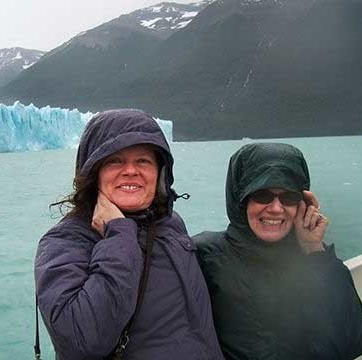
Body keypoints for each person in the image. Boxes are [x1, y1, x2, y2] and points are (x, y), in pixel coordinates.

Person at [35, 109, 225, 360]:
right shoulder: (65, 241)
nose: (131, 171)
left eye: (143, 161)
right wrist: (119, 235)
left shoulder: (169, 223)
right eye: (115, 160)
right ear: (94, 171)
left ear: (159, 172)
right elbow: (81, 340)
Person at [195, 142, 362, 360]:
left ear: (303, 203)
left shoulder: (316, 259)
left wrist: (314, 251)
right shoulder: (205, 256)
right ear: (240, 199)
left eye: (288, 197)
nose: (276, 208)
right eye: (261, 195)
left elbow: (355, 342)